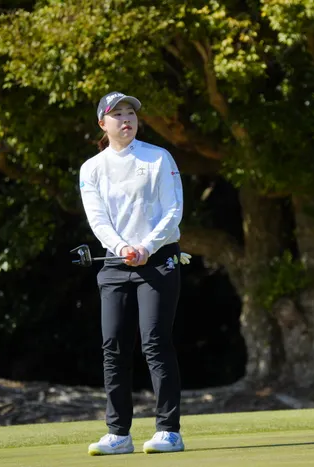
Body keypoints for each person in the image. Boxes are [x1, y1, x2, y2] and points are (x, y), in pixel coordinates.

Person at [79, 91, 189, 456]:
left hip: (158, 260)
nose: (126, 119)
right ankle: (118, 434)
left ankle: (169, 431)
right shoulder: (92, 168)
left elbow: (173, 211)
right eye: (118, 114)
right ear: (103, 123)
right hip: (116, 262)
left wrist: (146, 246)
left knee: (154, 342)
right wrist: (122, 247)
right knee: (113, 347)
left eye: (131, 113)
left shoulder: (158, 157)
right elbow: (98, 219)